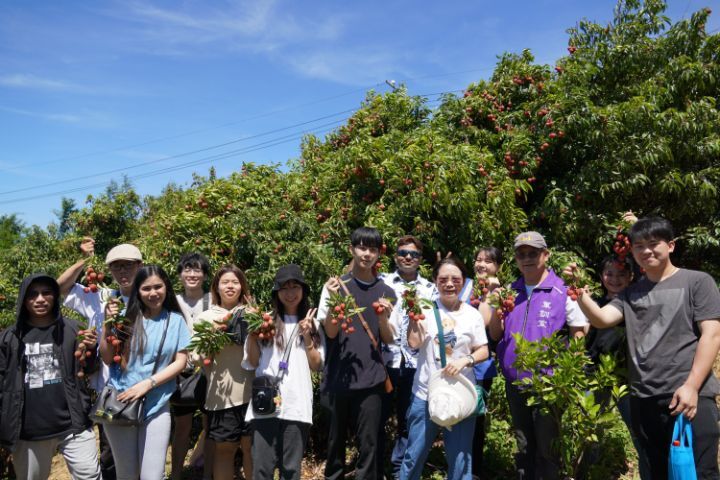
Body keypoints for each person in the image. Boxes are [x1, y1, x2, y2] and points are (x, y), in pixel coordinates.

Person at [572, 216, 720, 480]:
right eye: (639, 246)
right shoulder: (631, 293)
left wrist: (692, 387)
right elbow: (602, 318)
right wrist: (579, 293)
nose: (646, 251)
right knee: (654, 471)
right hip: (644, 398)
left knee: (698, 471)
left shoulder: (697, 281)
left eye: (654, 243)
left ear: (671, 245)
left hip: (688, 396)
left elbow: (712, 335)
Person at [489, 231, 587, 480]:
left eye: (533, 253)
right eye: (521, 254)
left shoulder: (562, 291)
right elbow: (496, 334)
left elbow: (578, 334)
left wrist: (568, 373)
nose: (527, 259)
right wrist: (494, 308)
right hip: (515, 383)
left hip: (548, 385)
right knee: (523, 444)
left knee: (547, 446)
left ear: (546, 254)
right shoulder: (511, 291)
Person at [57, 238, 144, 480]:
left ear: (140, 266)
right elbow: (59, 288)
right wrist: (84, 260)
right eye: (117, 266)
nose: (123, 271)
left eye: (129, 265)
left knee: (145, 452)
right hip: (110, 391)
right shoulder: (101, 295)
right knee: (110, 454)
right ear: (110, 270)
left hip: (145, 386)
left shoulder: (151, 295)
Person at [0, 274, 102, 480]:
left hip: (73, 425)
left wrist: (91, 349)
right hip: (29, 432)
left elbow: (89, 368)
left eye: (46, 293)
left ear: (55, 296)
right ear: (23, 299)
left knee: (90, 475)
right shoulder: (10, 338)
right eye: (33, 294)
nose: (40, 299)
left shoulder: (73, 329)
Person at [318, 226, 397, 480]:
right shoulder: (335, 286)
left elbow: (388, 338)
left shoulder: (386, 291)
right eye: (362, 247)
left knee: (369, 445)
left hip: (371, 379)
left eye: (372, 249)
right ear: (351, 249)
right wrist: (333, 301)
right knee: (335, 446)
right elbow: (330, 333)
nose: (367, 254)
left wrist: (383, 317)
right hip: (337, 378)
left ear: (378, 254)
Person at [400, 257, 489, 480]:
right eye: (443, 279)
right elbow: (413, 344)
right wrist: (414, 321)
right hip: (425, 393)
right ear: (435, 281)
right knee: (414, 454)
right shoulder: (425, 309)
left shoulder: (472, 314)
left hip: (461, 395)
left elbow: (483, 350)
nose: (449, 284)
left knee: (460, 458)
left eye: (455, 279)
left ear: (463, 282)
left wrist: (465, 360)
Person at [100, 265, 191, 480]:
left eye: (158, 287)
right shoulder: (124, 318)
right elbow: (106, 357)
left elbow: (180, 361)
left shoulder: (175, 320)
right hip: (121, 402)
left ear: (166, 287)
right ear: (137, 292)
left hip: (157, 404)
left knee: (153, 475)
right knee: (127, 475)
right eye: (146, 288)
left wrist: (148, 383)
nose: (153, 293)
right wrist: (106, 327)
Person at [243, 264, 324, 480]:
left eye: (295, 287)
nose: (290, 293)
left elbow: (317, 365)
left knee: (291, 468)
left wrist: (307, 337)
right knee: (262, 466)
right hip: (266, 402)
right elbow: (251, 362)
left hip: (297, 403)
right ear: (277, 292)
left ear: (303, 290)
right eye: (284, 288)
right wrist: (252, 335)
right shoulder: (264, 321)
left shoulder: (312, 324)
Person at [581, 255, 650, 479]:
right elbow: (583, 337)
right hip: (595, 375)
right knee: (591, 431)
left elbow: (648, 274)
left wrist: (632, 234)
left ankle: (650, 472)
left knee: (638, 431)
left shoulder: (637, 302)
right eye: (609, 273)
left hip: (628, 378)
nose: (615, 279)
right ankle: (587, 473)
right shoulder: (594, 304)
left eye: (622, 274)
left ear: (631, 276)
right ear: (601, 277)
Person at [379, 235, 437, 480]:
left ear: (420, 260)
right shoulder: (381, 282)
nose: (407, 258)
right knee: (377, 419)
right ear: (395, 256)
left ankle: (398, 471)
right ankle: (375, 467)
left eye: (413, 254)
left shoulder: (430, 289)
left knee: (406, 420)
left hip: (415, 363)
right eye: (403, 253)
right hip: (384, 361)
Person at [195, 265, 254, 480]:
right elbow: (197, 358)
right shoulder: (206, 318)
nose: (230, 286)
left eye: (235, 282)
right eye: (225, 282)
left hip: (253, 393)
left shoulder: (253, 314)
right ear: (216, 288)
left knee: (251, 448)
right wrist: (211, 336)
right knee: (225, 451)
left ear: (242, 287)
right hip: (221, 397)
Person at [171, 252, 213, 480]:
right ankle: (176, 474)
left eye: (197, 270)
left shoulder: (212, 299)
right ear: (180, 274)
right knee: (182, 427)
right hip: (181, 371)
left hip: (207, 370)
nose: (192, 274)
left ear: (205, 275)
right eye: (187, 269)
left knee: (209, 426)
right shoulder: (172, 301)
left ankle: (207, 473)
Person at [468, 247, 502, 480]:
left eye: (488, 261)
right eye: (478, 259)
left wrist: (490, 291)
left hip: (481, 366)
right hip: (455, 362)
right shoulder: (464, 285)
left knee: (475, 421)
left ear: (498, 266)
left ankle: (474, 471)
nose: (481, 264)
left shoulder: (499, 292)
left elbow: (482, 324)